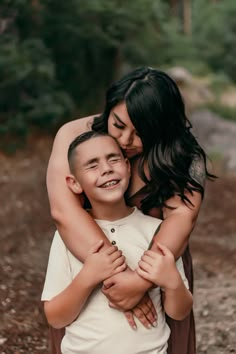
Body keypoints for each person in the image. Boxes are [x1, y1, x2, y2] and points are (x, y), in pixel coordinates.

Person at [46, 67, 215, 354]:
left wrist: (141, 282)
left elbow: (182, 217)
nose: (125, 141)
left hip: (158, 266)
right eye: (118, 124)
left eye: (141, 133)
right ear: (108, 108)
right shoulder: (73, 135)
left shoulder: (184, 155)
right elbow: (64, 211)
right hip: (87, 264)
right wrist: (121, 279)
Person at [42, 131, 193, 354]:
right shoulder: (68, 237)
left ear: (128, 167)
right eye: (92, 165)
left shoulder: (155, 231)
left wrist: (172, 283)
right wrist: (88, 277)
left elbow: (179, 312)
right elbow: (55, 317)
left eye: (113, 159)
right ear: (74, 183)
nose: (106, 169)